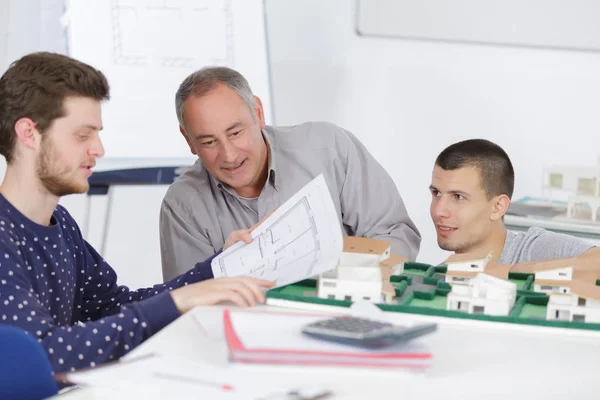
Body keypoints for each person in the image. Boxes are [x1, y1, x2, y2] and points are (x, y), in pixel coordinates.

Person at [0, 52, 274, 374]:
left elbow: (112, 307)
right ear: (29, 134)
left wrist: (216, 270)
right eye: (82, 135)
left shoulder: (61, 226)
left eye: (97, 134)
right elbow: (43, 355)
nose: (98, 149)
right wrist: (178, 301)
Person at [160, 66, 421, 280]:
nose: (229, 155)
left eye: (235, 133)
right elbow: (186, 303)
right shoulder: (182, 206)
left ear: (258, 113)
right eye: (208, 142)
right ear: (189, 141)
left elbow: (394, 233)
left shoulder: (329, 148)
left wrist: (353, 284)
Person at [429, 138, 600, 276]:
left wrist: (509, 272)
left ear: (498, 207)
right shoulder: (436, 277)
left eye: (458, 197)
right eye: (436, 193)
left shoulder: (532, 248)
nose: (439, 211)